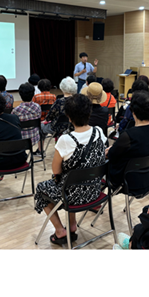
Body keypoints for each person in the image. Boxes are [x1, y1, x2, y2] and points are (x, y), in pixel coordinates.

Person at [34, 94, 108, 246]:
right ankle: (72, 225)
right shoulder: (99, 132)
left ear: (68, 116)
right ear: (89, 113)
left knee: (42, 188)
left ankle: (60, 230)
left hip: (71, 196)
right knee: (71, 181)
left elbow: (56, 171)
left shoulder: (66, 140)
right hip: (95, 191)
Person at [106, 91, 149, 194]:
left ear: (133, 111)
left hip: (127, 181)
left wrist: (109, 151)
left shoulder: (128, 135)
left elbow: (111, 155)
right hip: (147, 177)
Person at [13, 83, 42, 148]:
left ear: (20, 94)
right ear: (33, 94)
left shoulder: (16, 110)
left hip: (20, 139)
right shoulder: (37, 107)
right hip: (35, 137)